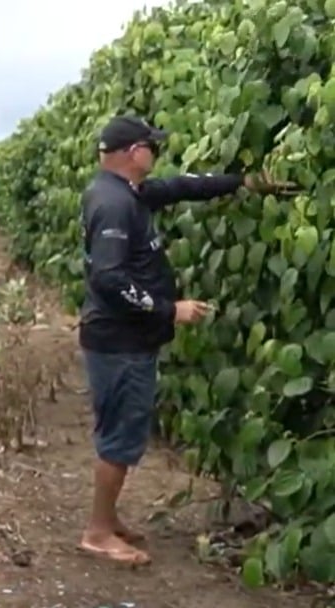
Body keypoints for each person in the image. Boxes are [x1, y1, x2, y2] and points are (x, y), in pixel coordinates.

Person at [77, 114, 295, 566]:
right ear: (134, 153)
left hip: (126, 339)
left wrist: (243, 182)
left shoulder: (126, 193)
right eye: (151, 146)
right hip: (120, 342)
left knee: (119, 434)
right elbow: (110, 278)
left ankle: (109, 520)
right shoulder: (115, 205)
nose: (155, 154)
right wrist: (168, 309)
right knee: (118, 439)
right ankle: (97, 532)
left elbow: (181, 187)